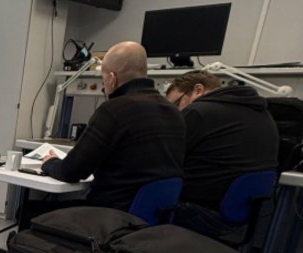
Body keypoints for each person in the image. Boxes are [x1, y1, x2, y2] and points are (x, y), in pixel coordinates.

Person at [34, 41, 185, 220]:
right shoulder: (174, 112)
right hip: (154, 218)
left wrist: (49, 162)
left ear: (112, 79)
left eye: (103, 80)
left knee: (31, 211)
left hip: (112, 216)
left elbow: (71, 171)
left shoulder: (113, 110)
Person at [165, 70, 278, 211]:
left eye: (176, 104)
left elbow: (165, 157)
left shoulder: (198, 111)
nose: (176, 112)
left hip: (199, 207)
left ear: (198, 90)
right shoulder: (262, 113)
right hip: (245, 209)